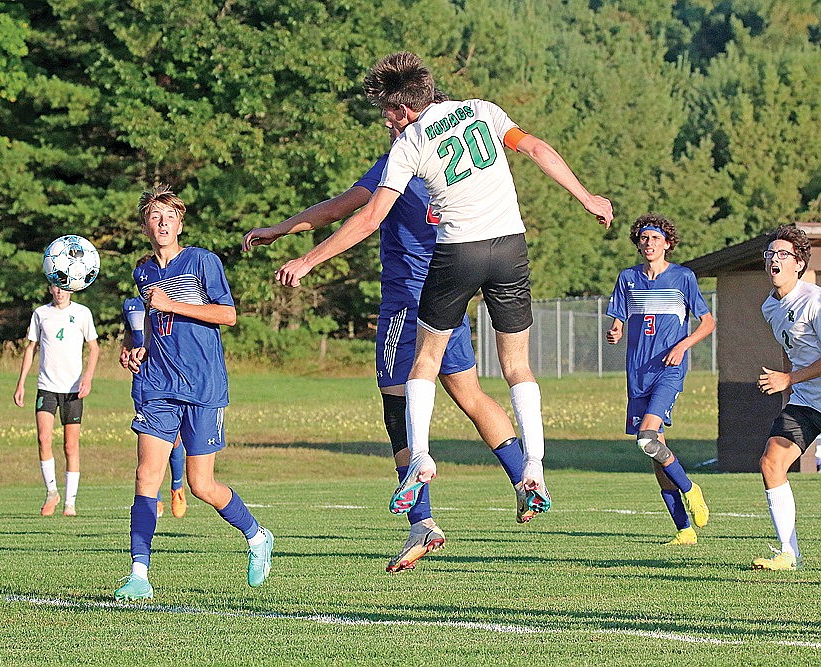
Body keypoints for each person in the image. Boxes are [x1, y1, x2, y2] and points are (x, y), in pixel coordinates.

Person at [275, 52, 613, 515]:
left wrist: (308, 257)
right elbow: (536, 149)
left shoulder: (406, 149)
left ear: (405, 110)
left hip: (434, 277)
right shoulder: (482, 110)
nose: (385, 124)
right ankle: (531, 469)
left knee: (414, 377)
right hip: (509, 249)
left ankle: (420, 477)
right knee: (507, 372)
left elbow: (362, 214)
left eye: (386, 114)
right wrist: (587, 197)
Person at [247, 111, 541, 573]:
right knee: (470, 393)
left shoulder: (399, 163)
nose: (386, 126)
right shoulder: (458, 165)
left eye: (389, 117)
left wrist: (286, 235)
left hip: (407, 303)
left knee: (396, 409)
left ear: (404, 120)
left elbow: (342, 210)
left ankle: (422, 523)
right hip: (450, 294)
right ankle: (523, 479)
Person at [114, 184, 273, 601]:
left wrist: (174, 305)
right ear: (145, 225)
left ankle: (257, 536)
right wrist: (134, 348)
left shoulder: (203, 261)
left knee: (202, 485)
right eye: (155, 216)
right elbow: (148, 324)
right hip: (157, 386)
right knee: (147, 477)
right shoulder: (143, 271)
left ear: (180, 223)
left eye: (170, 216)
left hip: (203, 386)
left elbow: (228, 314)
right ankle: (139, 574)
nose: (162, 223)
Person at [605, 214, 714, 545]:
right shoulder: (628, 279)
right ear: (638, 244)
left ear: (667, 243)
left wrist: (682, 345)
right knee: (656, 455)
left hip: (669, 370)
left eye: (655, 238)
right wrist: (614, 331)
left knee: (647, 438)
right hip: (637, 373)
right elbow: (618, 322)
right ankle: (684, 531)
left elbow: (708, 323)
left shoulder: (683, 278)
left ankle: (691, 489)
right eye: (644, 238)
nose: (649, 242)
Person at [753, 224, 821, 570]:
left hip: (805, 387)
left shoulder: (815, 301)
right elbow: (790, 350)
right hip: (809, 402)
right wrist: (788, 384)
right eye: (770, 254)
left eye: (783, 254)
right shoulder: (770, 307)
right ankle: (788, 553)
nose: (774, 260)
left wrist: (790, 378)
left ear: (799, 264)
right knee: (771, 462)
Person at [13, 283, 100, 517]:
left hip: (73, 390)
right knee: (43, 438)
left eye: (64, 288)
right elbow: (31, 348)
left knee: (70, 446)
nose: (60, 292)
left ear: (71, 289)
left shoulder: (82, 313)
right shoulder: (41, 314)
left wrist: (88, 377)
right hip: (46, 387)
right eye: (56, 287)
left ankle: (70, 502)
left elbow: (94, 348)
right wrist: (21, 383)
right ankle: (52, 492)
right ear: (50, 289)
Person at [121, 291, 187, 519]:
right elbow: (130, 333)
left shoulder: (167, 300)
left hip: (166, 376)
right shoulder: (130, 304)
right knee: (148, 436)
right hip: (141, 378)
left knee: (173, 438)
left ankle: (177, 486)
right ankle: (154, 496)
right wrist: (125, 349)